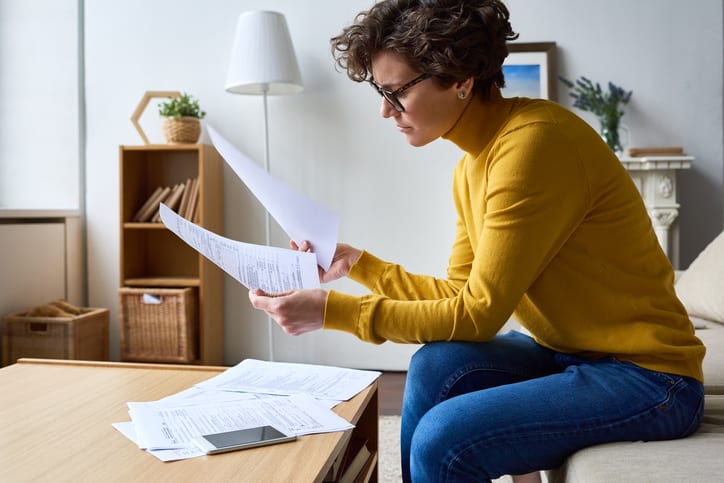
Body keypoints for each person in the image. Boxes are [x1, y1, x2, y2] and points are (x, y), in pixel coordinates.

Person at [249, 0, 706, 481]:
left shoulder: (534, 146)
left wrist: (331, 312)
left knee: (444, 437)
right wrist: (359, 263)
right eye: (380, 93)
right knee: (436, 364)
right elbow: (459, 296)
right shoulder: (472, 165)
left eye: (396, 91)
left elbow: (478, 314)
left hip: (651, 379)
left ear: (460, 80)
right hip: (570, 352)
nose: (386, 111)